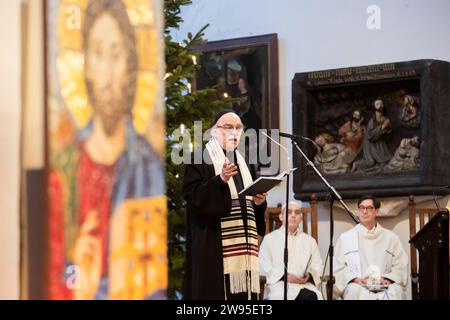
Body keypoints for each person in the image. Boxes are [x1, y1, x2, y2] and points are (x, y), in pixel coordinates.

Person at [48, 0, 165, 299]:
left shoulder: (148, 166)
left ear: (131, 66)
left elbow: (149, 279)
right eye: (97, 53)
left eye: (117, 54)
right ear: (84, 66)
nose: (107, 72)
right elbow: (54, 273)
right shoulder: (65, 167)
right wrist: (78, 279)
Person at [182, 109, 267, 300]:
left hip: (243, 247)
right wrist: (219, 180)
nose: (234, 132)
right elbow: (192, 195)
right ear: (214, 130)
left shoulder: (244, 162)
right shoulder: (199, 157)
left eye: (238, 128)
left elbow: (248, 204)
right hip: (213, 243)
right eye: (228, 127)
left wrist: (259, 203)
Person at [333, 195, 408, 300]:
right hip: (358, 285)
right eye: (362, 208)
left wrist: (387, 279)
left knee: (396, 291)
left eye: (369, 208)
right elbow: (338, 267)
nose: (365, 211)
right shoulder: (346, 238)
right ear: (358, 211)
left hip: (384, 285)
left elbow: (400, 265)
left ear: (376, 211)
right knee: (353, 290)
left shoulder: (391, 238)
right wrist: (354, 279)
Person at [259, 201, 323, 300]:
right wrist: (284, 276)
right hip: (278, 285)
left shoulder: (310, 241)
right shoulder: (269, 239)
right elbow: (263, 267)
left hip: (304, 285)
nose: (293, 215)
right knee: (279, 297)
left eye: (297, 212)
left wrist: (309, 276)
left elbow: (317, 266)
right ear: (281, 217)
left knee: (312, 296)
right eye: (289, 212)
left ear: (301, 218)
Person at [353, 99, 393, 173]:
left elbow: (389, 135)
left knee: (387, 161)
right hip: (370, 144)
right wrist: (383, 127)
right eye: (377, 104)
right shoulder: (372, 121)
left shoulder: (386, 119)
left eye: (381, 104)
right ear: (374, 107)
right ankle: (357, 164)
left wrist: (388, 130)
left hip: (380, 144)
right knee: (370, 162)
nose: (380, 106)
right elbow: (370, 136)